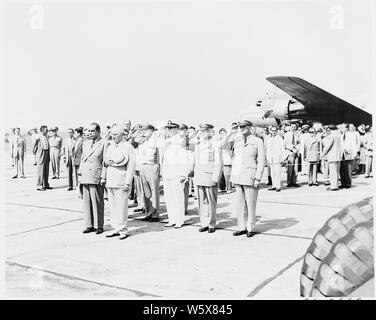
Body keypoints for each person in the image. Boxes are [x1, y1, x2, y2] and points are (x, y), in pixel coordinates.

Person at [231, 120, 265, 237]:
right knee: (239, 204)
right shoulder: (238, 142)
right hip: (238, 176)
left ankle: (251, 227)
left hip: (250, 176)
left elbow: (261, 161)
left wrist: (258, 178)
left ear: (250, 128)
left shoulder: (257, 141)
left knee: (250, 203)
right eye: (240, 127)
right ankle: (242, 227)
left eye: (244, 126)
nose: (241, 128)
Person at [103, 125, 136, 240]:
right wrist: (104, 178)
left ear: (122, 135)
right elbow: (106, 162)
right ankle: (115, 228)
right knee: (112, 207)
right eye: (112, 134)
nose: (113, 136)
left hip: (121, 180)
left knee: (121, 206)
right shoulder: (111, 146)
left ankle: (122, 229)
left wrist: (128, 182)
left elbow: (131, 165)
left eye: (116, 134)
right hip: (111, 180)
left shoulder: (128, 147)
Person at [161, 121, 193, 228]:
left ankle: (179, 220)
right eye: (167, 129)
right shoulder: (166, 141)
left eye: (170, 129)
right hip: (167, 173)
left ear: (176, 129)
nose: (168, 131)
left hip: (177, 173)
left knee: (178, 197)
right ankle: (172, 219)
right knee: (169, 198)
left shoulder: (181, 141)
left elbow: (186, 158)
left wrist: (184, 174)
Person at [193, 124, 223, 233]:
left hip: (210, 176)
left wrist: (216, 177)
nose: (202, 133)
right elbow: (196, 162)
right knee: (202, 202)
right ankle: (204, 223)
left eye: (205, 131)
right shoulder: (198, 145)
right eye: (201, 131)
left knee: (211, 202)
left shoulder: (215, 144)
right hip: (200, 176)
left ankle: (211, 223)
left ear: (210, 132)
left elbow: (218, 162)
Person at [79, 123, 106, 234]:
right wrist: (80, 173)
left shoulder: (104, 143)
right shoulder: (85, 143)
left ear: (98, 131)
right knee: (87, 202)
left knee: (97, 202)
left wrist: (103, 176)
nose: (89, 133)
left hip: (96, 174)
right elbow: (82, 159)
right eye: (88, 131)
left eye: (92, 131)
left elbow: (105, 162)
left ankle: (99, 225)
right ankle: (89, 224)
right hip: (85, 175)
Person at [137, 122, 161, 221]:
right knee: (146, 192)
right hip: (143, 166)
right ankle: (148, 213)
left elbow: (161, 155)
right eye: (142, 130)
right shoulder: (142, 140)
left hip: (152, 166)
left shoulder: (156, 140)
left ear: (151, 130)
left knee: (154, 190)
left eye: (146, 130)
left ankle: (155, 214)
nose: (144, 132)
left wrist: (161, 169)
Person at [321, 125, 343, 191]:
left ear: (330, 129)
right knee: (336, 172)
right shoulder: (338, 135)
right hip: (338, 156)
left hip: (332, 156)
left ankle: (333, 186)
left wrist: (323, 154)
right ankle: (335, 185)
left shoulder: (331, 136)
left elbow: (328, 146)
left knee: (333, 172)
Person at [33, 125, 52, 191]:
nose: (47, 131)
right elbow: (34, 147)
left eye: (47, 130)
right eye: (46, 130)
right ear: (42, 130)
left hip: (47, 153)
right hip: (41, 154)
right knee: (40, 170)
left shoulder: (47, 136)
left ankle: (46, 184)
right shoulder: (38, 136)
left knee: (46, 170)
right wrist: (37, 154)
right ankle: (39, 185)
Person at [266, 126, 285, 192]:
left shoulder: (280, 139)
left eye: (275, 131)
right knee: (272, 173)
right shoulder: (269, 139)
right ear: (270, 131)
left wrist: (283, 158)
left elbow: (283, 149)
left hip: (278, 158)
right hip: (271, 159)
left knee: (277, 173)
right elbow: (268, 150)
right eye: (272, 131)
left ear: (276, 131)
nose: (273, 132)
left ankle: (278, 186)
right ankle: (273, 185)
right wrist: (268, 159)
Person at [218, 128, 233, 193]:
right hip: (220, 160)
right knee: (221, 175)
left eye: (223, 133)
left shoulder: (229, 140)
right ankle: (222, 187)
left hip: (227, 159)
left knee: (227, 175)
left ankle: (229, 188)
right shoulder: (219, 140)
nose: (222, 135)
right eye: (221, 133)